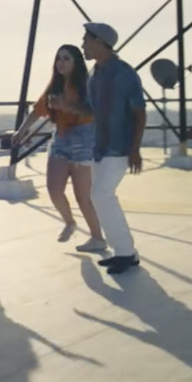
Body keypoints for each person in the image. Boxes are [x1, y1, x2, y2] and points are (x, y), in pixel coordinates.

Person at [10, 45, 105, 251]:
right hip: (61, 138)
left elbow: (95, 111)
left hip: (84, 139)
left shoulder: (86, 85)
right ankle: (70, 222)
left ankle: (97, 238)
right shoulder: (55, 85)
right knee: (54, 190)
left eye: (66, 59)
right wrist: (21, 131)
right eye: (59, 58)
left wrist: (66, 106)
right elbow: (38, 110)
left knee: (82, 196)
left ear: (76, 63)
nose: (61, 62)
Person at [81, 22, 146, 274]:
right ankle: (123, 252)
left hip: (119, 148)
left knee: (101, 196)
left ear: (100, 42)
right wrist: (66, 107)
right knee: (101, 198)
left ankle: (126, 253)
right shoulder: (92, 74)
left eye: (86, 39)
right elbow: (91, 111)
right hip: (99, 147)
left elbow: (139, 113)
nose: (83, 44)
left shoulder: (125, 74)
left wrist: (135, 149)